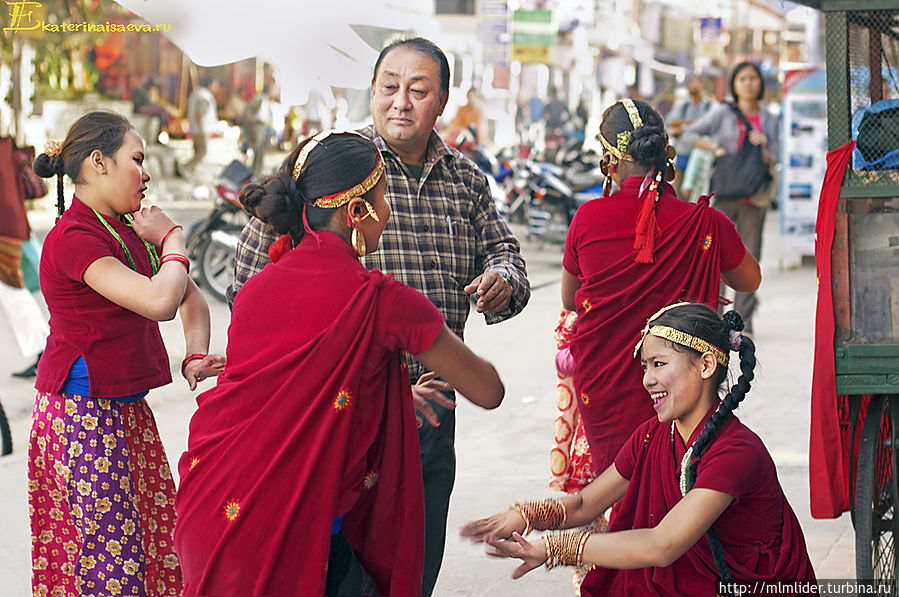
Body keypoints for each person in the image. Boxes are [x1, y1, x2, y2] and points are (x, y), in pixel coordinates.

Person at [227, 37, 530, 596]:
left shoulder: (465, 180)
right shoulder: (334, 165)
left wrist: (502, 282)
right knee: (326, 561)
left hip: (430, 408)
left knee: (410, 563)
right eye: (389, 87)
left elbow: (507, 256)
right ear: (371, 91)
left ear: (442, 101)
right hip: (332, 414)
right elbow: (248, 284)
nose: (401, 102)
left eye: (418, 91)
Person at [174, 131, 504, 596]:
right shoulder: (386, 302)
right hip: (287, 536)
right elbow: (489, 390)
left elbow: (286, 396)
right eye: (385, 198)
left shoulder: (257, 290)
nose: (390, 212)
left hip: (213, 513)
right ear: (357, 212)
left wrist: (390, 393)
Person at [462, 303, 816, 595]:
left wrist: (554, 549)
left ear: (706, 365)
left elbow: (661, 545)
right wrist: (525, 516)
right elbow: (586, 503)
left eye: (659, 364)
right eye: (645, 366)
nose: (647, 379)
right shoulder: (651, 436)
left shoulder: (736, 451)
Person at [28, 111, 224, 596]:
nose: (147, 172)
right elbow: (160, 301)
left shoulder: (123, 231)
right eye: (136, 159)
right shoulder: (73, 238)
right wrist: (174, 239)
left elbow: (189, 298)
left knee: (156, 548)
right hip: (80, 418)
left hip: (125, 413)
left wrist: (194, 354)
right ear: (99, 163)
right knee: (108, 564)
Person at [560, 98, 761, 483]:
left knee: (621, 499)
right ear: (665, 156)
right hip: (685, 389)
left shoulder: (587, 219)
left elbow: (570, 299)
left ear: (610, 162)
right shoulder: (707, 224)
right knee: (679, 494)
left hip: (605, 389)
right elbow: (750, 281)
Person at [681, 62, 779, 336]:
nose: (748, 83)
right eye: (743, 78)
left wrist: (764, 149)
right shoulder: (723, 112)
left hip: (753, 198)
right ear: (734, 84)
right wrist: (714, 147)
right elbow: (689, 134)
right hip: (723, 196)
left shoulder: (769, 119)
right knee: (714, 257)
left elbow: (776, 157)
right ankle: (712, 318)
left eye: (753, 78)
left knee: (750, 258)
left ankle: (744, 323)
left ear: (760, 83)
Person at [667, 75, 713, 194]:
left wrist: (685, 126)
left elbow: (709, 125)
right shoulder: (684, 107)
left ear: (702, 85)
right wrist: (690, 123)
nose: (689, 86)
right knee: (677, 197)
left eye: (692, 82)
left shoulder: (710, 107)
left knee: (697, 198)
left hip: (701, 159)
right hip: (682, 157)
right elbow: (671, 122)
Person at [181, 77, 222, 175]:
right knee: (202, 151)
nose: (217, 87)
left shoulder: (197, 93)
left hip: (195, 127)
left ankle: (190, 170)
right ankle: (186, 168)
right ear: (210, 85)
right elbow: (199, 114)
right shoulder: (204, 96)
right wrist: (201, 129)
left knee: (198, 151)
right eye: (215, 85)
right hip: (200, 129)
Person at [243, 85, 275, 178]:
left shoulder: (265, 99)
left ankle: (257, 171)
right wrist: (253, 119)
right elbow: (248, 111)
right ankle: (256, 173)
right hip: (257, 126)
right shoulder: (258, 98)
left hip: (262, 126)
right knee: (259, 149)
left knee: (260, 149)